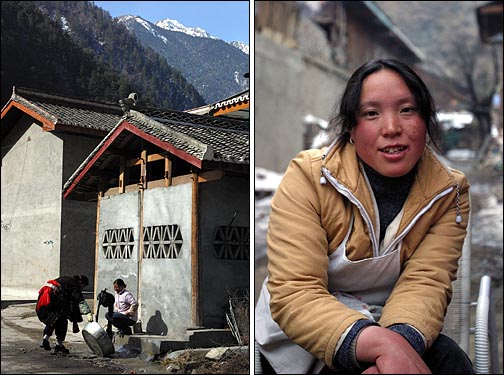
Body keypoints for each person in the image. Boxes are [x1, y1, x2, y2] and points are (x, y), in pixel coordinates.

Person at [255, 59, 475, 374]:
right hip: (305, 335)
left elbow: (425, 281)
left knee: (450, 362)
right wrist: (381, 348)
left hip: (392, 322)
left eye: (407, 110)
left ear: (426, 119)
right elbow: (297, 289)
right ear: (351, 129)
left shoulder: (448, 192)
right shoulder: (309, 177)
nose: (392, 128)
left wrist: (396, 348)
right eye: (371, 113)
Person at [36, 274, 94, 354]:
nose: (82, 289)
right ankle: (59, 344)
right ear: (81, 283)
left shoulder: (66, 279)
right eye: (83, 286)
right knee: (62, 321)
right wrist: (87, 312)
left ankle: (45, 339)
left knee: (53, 319)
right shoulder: (75, 285)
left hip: (45, 297)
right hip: (53, 297)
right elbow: (79, 299)